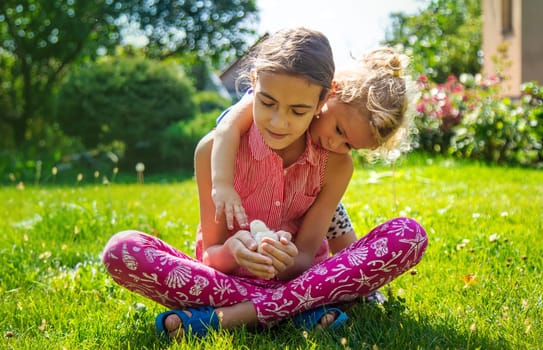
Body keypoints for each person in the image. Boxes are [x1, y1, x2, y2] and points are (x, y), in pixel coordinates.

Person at [102, 28, 427, 342]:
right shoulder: (213, 152)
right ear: (254, 84)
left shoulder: (336, 165)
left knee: (409, 236)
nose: (278, 122)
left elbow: (306, 256)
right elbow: (211, 258)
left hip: (298, 279)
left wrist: (288, 262)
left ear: (320, 102)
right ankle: (301, 310)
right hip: (233, 282)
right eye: (267, 103)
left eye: (298, 111)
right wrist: (235, 252)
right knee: (123, 250)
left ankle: (228, 318)